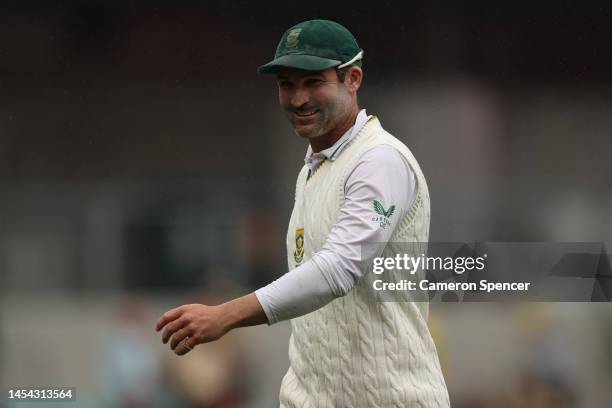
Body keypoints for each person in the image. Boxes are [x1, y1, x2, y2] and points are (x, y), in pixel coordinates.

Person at [156, 19, 450, 407]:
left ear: (354, 78)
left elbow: (338, 269)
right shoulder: (314, 169)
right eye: (286, 85)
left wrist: (225, 315)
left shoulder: (379, 160)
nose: (298, 99)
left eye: (314, 82)